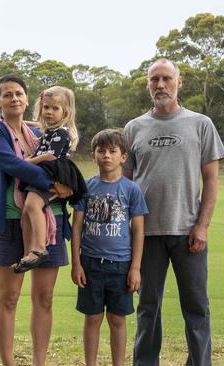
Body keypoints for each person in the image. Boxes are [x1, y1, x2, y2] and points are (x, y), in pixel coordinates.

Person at [124, 58, 224, 366]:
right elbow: (125, 185)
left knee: (196, 306)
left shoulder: (200, 124)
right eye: (154, 79)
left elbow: (211, 180)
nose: (160, 85)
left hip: (187, 232)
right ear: (147, 85)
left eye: (166, 78)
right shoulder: (133, 128)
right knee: (147, 307)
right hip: (146, 234)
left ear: (179, 83)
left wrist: (203, 226)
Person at [0, 75, 73, 366]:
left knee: (43, 298)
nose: (14, 98)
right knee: (9, 297)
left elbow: (60, 154)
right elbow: (13, 165)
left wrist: (64, 180)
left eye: (19, 93)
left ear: (28, 99)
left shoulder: (38, 132)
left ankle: (39, 363)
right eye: (7, 95)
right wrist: (58, 182)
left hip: (49, 218)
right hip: (10, 219)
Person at [70, 129, 148, 366]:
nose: (107, 156)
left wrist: (135, 268)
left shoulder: (131, 190)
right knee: (92, 319)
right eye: (101, 151)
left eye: (113, 151)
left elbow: (138, 231)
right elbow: (77, 227)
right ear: (93, 156)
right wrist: (77, 264)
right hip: (91, 264)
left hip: (121, 266)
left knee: (117, 319)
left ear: (123, 156)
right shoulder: (86, 187)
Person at [14, 86, 86, 273]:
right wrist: (24, 122)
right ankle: (29, 252)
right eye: (46, 107)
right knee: (26, 211)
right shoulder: (50, 130)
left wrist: (28, 161)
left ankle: (39, 248)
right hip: (46, 170)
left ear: (65, 112)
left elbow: (49, 156)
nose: (49, 112)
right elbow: (40, 126)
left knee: (32, 205)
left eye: (55, 109)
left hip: (55, 172)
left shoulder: (61, 132)